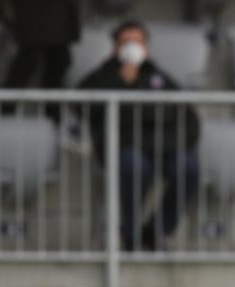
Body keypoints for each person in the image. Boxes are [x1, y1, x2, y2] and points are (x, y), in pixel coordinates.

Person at [79, 20, 201, 252]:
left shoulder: (160, 78)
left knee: (189, 167)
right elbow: (83, 106)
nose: (132, 47)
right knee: (134, 167)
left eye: (138, 42)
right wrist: (121, 82)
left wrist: (174, 144)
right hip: (125, 150)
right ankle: (130, 234)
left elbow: (190, 120)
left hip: (164, 149)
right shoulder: (104, 76)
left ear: (147, 47)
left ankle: (156, 230)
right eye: (126, 42)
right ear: (116, 48)